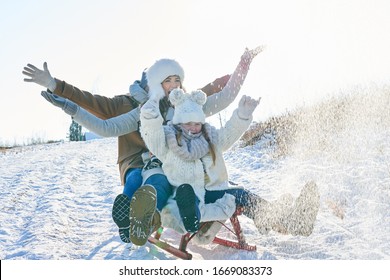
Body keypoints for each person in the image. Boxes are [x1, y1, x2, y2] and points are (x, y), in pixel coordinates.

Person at [25, 46, 264, 245]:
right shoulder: (138, 109)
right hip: (149, 163)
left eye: (177, 80)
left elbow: (222, 96)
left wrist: (243, 65)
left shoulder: (186, 105)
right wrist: (59, 91)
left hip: (185, 169)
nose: (172, 85)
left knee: (179, 183)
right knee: (147, 180)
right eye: (165, 81)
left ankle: (169, 219)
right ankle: (134, 219)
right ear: (153, 84)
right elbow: (103, 122)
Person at [140, 87, 260, 234]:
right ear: (179, 122)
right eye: (188, 123)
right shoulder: (169, 139)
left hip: (214, 189)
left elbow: (229, 134)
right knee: (190, 198)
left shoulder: (209, 136)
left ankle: (276, 217)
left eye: (197, 124)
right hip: (185, 192)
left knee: (244, 195)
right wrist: (150, 119)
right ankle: (191, 218)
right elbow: (153, 138)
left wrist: (242, 116)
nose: (194, 128)